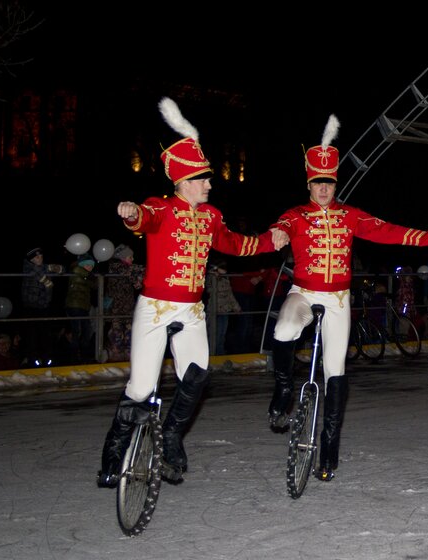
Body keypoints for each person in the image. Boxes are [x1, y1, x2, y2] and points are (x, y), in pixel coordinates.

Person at [96, 97, 288, 488]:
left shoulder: (213, 215)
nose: (210, 184)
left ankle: (170, 438)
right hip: (155, 309)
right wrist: (132, 214)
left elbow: (233, 244)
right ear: (184, 182)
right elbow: (143, 219)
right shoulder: (161, 208)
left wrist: (270, 240)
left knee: (198, 376)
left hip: (191, 313)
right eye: (204, 179)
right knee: (141, 387)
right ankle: (113, 455)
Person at [265, 114, 428, 482]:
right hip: (304, 291)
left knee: (336, 370)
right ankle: (284, 388)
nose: (323, 189)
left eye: (329, 183)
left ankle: (329, 450)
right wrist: (277, 233)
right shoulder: (297, 215)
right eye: (318, 183)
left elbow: (391, 232)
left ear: (335, 184)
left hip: (337, 301)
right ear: (309, 183)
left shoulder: (350, 215)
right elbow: (280, 226)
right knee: (285, 326)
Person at [20, 247, 63, 367]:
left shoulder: (44, 267)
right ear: (31, 259)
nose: (40, 258)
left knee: (45, 334)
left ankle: (46, 360)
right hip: (31, 307)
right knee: (31, 335)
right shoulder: (27, 267)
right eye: (37, 257)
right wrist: (46, 280)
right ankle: (32, 361)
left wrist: (57, 268)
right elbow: (34, 272)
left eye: (41, 256)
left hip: (44, 307)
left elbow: (61, 270)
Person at [104, 244, 144, 362]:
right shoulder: (116, 266)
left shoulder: (126, 269)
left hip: (128, 305)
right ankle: (115, 352)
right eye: (130, 257)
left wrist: (138, 281)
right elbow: (130, 270)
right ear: (123, 257)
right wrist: (146, 269)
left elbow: (135, 283)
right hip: (117, 306)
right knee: (117, 330)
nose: (132, 259)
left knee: (129, 329)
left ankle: (127, 352)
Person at [64, 253, 97, 363]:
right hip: (75, 305)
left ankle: (81, 356)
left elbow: (94, 285)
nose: (90, 268)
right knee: (78, 331)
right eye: (88, 265)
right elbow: (82, 279)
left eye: (92, 266)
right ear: (82, 264)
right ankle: (76, 357)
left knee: (84, 331)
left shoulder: (85, 275)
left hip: (82, 306)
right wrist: (90, 276)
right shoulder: (78, 272)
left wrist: (92, 277)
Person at [206, 259, 242, 355]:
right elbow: (208, 289)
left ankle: (220, 353)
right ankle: (212, 354)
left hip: (225, 310)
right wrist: (215, 278)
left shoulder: (225, 278)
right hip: (214, 310)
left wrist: (236, 307)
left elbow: (230, 294)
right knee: (213, 334)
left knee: (222, 334)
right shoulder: (210, 277)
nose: (225, 270)